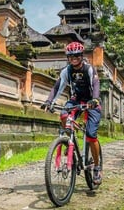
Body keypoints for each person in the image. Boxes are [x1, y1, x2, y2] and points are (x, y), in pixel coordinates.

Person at [40, 41, 103, 185]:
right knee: (63, 114)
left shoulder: (89, 68)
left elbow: (96, 85)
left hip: (92, 101)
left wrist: (94, 99)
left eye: (76, 55)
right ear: (68, 57)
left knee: (91, 135)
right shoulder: (66, 71)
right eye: (71, 56)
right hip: (76, 100)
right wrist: (49, 101)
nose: (74, 58)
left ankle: (97, 167)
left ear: (81, 55)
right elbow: (57, 88)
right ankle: (69, 141)